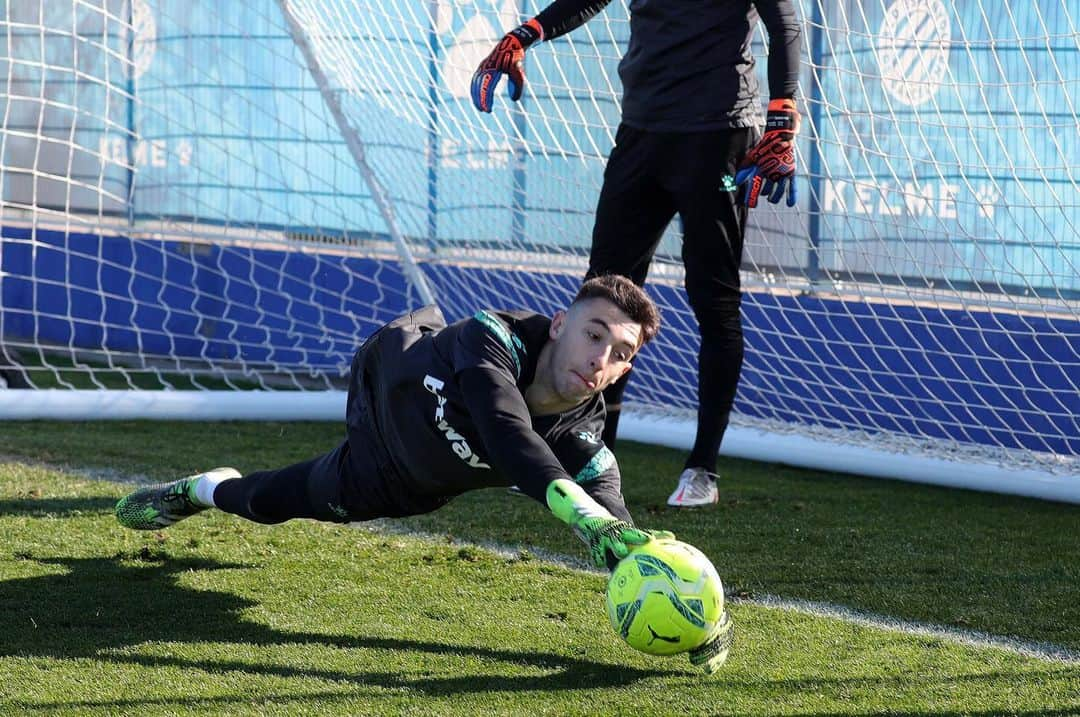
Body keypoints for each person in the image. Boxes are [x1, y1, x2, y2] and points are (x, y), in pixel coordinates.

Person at [114, 274, 732, 673]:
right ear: (560, 324)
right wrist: (584, 516)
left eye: (620, 354)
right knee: (278, 496)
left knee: (272, 500)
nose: (601, 358)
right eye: (594, 335)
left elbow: (623, 540)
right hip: (383, 387)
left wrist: (696, 616)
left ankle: (206, 486)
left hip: (401, 480)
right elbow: (506, 433)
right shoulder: (491, 337)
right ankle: (189, 489)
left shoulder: (585, 442)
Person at [471, 0, 802, 508]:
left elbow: (786, 24)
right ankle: (587, 452)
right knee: (602, 299)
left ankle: (702, 471)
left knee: (713, 303)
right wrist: (525, 34)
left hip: (717, 136)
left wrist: (783, 115)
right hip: (642, 133)